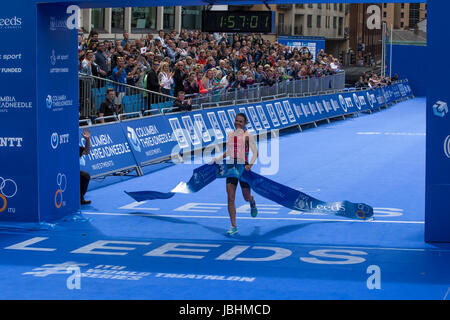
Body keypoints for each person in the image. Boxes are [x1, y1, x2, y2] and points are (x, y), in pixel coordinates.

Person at [213, 113, 258, 235]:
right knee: (230, 198)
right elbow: (229, 150)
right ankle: (234, 226)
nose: (238, 123)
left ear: (245, 123)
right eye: (236, 121)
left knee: (246, 197)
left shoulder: (248, 136)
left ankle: (252, 201)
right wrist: (218, 158)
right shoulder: (231, 135)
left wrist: (250, 165)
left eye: (241, 121)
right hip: (231, 168)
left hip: (244, 169)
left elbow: (255, 153)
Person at [80, 128, 91, 205]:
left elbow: (86, 151)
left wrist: (87, 140)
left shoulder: (75, 147)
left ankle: (80, 198)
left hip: (74, 171)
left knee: (85, 176)